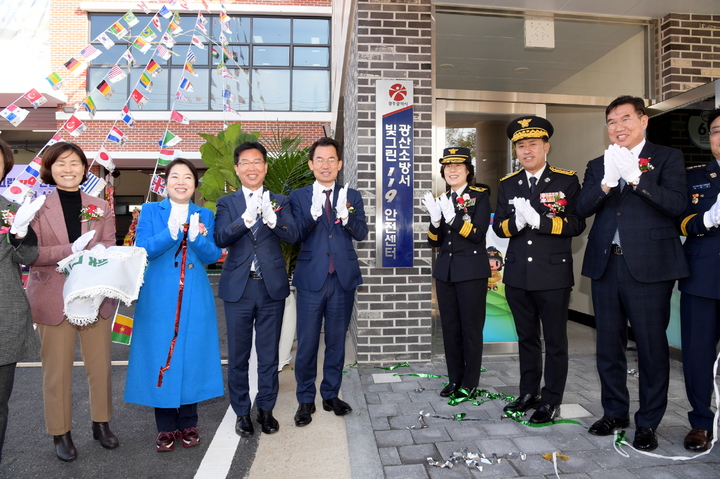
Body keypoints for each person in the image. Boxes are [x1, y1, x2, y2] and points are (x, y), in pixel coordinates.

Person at [576, 95, 688, 451]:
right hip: (606, 263)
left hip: (650, 265)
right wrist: (607, 182)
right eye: (611, 122)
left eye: (625, 119)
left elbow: (677, 205)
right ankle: (615, 413)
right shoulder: (598, 163)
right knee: (607, 344)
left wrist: (637, 179)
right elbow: (580, 209)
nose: (618, 127)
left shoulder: (668, 157)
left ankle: (648, 422)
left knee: (652, 348)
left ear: (643, 120)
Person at [26, 142, 119, 462]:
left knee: (100, 366)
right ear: (50, 169)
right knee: (57, 370)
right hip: (53, 297)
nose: (69, 169)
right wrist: (71, 249)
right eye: (61, 163)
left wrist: (99, 254)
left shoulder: (99, 205)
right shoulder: (36, 206)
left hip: (94, 297)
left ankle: (101, 423)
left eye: (75, 163)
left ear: (84, 168)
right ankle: (60, 432)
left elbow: (108, 245)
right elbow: (31, 255)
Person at [124, 158, 224, 452]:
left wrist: (196, 237)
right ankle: (166, 427)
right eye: (175, 177)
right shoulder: (151, 211)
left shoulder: (204, 213)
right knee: (159, 355)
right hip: (158, 296)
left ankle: (189, 423)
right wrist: (169, 234)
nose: (181, 182)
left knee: (192, 354)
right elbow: (142, 249)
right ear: (165, 183)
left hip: (195, 296)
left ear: (195, 185)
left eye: (188, 178)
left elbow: (212, 255)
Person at [492, 117, 585, 423]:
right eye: (521, 145)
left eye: (533, 143)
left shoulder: (565, 180)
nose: (527, 150)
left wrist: (540, 222)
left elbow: (575, 223)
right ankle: (528, 392)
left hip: (553, 275)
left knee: (556, 340)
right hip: (518, 275)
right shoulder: (508, 183)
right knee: (527, 338)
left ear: (546, 146)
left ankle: (551, 399)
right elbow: (499, 227)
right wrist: (516, 223)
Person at [215, 142, 298, 437]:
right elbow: (221, 237)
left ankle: (266, 409)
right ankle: (241, 412)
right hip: (238, 289)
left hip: (270, 288)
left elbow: (294, 233)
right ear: (238, 169)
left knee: (268, 354)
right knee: (238, 355)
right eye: (245, 162)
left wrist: (272, 219)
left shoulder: (281, 200)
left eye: (258, 162)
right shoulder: (228, 203)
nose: (252, 167)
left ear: (265, 167)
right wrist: (246, 219)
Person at [289, 137, 367, 427]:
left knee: (336, 342)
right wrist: (310, 218)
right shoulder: (297, 197)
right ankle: (305, 399)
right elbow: (294, 234)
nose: (325, 165)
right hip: (312, 279)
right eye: (319, 159)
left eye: (331, 159)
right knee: (308, 342)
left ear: (340, 164)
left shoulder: (352, 195)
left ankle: (330, 394)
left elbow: (361, 232)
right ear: (311, 165)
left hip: (342, 278)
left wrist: (347, 218)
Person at [422, 147, 491, 399]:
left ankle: (469, 382)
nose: (452, 170)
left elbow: (478, 234)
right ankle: (454, 379)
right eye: (447, 167)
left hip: (471, 271)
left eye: (457, 166)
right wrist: (436, 221)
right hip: (446, 273)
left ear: (468, 171)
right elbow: (434, 242)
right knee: (449, 329)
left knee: (471, 329)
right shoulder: (442, 200)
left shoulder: (480, 196)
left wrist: (453, 219)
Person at [677, 108, 720, 452]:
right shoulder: (694, 177)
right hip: (702, 279)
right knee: (697, 355)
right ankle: (701, 423)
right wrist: (706, 218)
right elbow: (677, 220)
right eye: (718, 130)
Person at [0, 139, 42, 463]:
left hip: (5, 317)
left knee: (0, 405)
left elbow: (28, 256)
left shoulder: (9, 207)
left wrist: (20, 231)